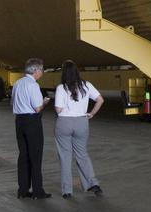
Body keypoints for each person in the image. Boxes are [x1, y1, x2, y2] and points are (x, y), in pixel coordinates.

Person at [53, 60, 103, 199]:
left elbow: (58, 109)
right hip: (82, 122)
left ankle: (67, 190)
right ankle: (93, 183)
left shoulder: (61, 88)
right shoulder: (86, 85)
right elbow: (100, 100)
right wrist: (91, 113)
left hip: (64, 123)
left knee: (65, 157)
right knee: (82, 154)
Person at [12, 58, 52, 198]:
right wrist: (45, 102)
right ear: (35, 71)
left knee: (23, 155)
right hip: (32, 122)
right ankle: (37, 190)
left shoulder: (17, 83)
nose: (42, 72)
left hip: (19, 121)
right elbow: (37, 108)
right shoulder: (33, 85)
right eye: (41, 69)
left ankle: (22, 190)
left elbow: (13, 102)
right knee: (35, 155)